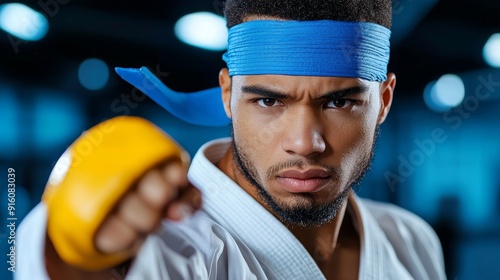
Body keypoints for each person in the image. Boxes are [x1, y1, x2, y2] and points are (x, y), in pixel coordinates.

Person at [17, 0, 446, 279]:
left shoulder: (411, 241)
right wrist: (71, 245)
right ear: (228, 94)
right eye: (268, 102)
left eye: (339, 103)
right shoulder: (174, 249)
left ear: (384, 100)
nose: (304, 143)